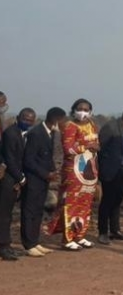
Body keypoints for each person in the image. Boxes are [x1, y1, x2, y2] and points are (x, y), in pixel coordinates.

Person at [50, 98, 100, 251]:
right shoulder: (69, 126)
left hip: (89, 171)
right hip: (74, 171)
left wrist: (96, 146)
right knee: (71, 204)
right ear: (73, 110)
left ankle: (80, 235)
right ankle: (68, 238)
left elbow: (96, 144)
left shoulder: (92, 125)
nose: (83, 112)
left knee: (85, 204)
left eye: (86, 109)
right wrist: (87, 146)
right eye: (80, 108)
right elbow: (68, 149)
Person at [21, 107, 65, 257]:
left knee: (39, 211)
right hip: (34, 178)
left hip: (44, 179)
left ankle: (35, 241)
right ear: (56, 120)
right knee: (29, 211)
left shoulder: (50, 133)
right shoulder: (36, 133)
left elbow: (46, 156)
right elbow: (29, 160)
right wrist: (46, 173)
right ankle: (28, 244)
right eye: (62, 120)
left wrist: (52, 171)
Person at [97, 107, 123, 245]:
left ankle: (115, 230)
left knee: (117, 201)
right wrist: (103, 169)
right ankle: (103, 232)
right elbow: (100, 149)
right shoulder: (111, 128)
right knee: (107, 201)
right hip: (111, 171)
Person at [0, 108, 36, 260]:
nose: (27, 122)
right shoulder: (10, 133)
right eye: (25, 119)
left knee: (7, 214)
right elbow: (10, 159)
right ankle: (3, 246)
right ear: (18, 117)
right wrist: (21, 179)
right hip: (9, 178)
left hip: (15, 178)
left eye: (30, 120)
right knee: (4, 215)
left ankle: (5, 245)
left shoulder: (24, 135)